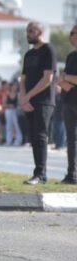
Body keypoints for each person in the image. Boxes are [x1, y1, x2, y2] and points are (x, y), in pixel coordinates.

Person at [19, 21, 57, 185]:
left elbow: (47, 78)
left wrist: (29, 96)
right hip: (29, 101)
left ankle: (40, 174)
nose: (28, 34)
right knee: (34, 137)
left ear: (40, 32)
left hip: (44, 101)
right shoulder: (28, 54)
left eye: (31, 31)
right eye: (27, 31)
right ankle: (39, 173)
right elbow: (23, 79)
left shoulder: (48, 50)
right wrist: (23, 98)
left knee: (41, 136)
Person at [55, 25, 77, 184]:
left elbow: (67, 78)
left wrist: (67, 77)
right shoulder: (71, 56)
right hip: (69, 102)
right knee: (71, 140)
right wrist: (65, 80)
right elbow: (62, 80)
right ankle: (71, 174)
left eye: (73, 33)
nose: (71, 36)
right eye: (70, 33)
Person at [3, 81, 22, 146]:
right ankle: (9, 140)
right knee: (9, 126)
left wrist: (17, 106)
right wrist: (9, 106)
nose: (15, 87)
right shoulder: (7, 94)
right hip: (8, 111)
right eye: (14, 86)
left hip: (15, 111)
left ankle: (18, 140)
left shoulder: (18, 94)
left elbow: (19, 103)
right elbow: (4, 104)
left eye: (16, 86)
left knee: (17, 125)